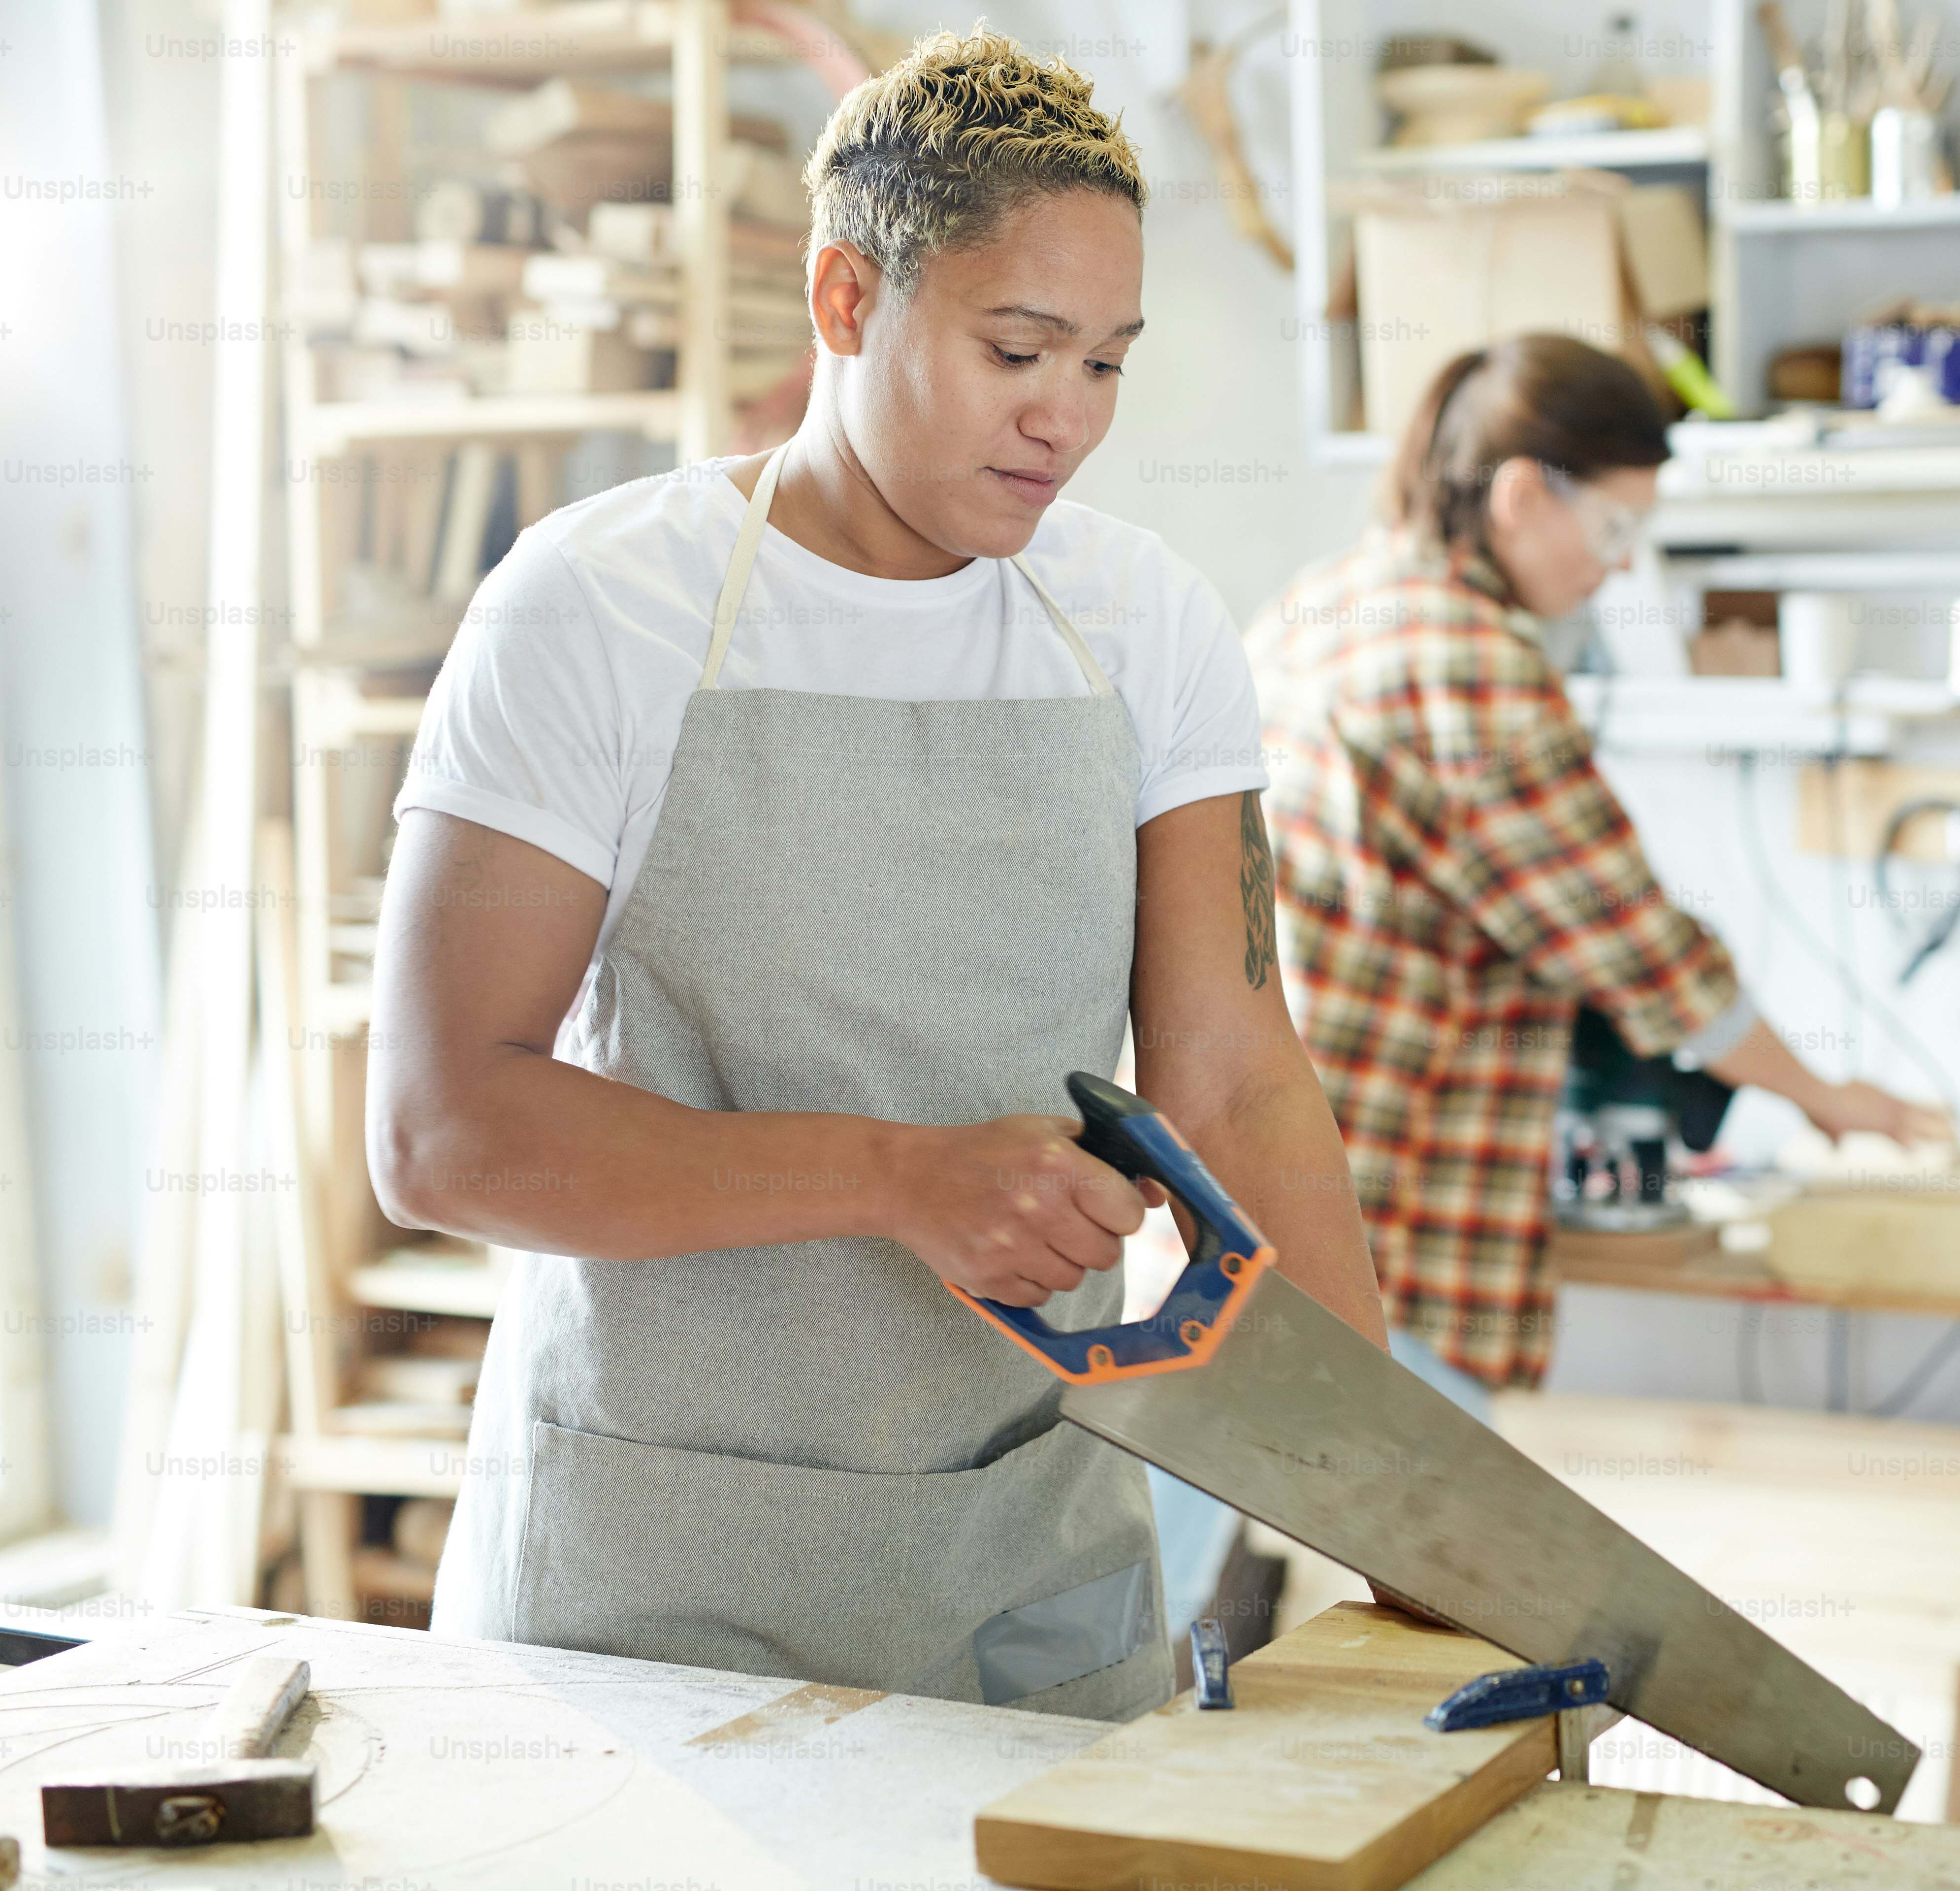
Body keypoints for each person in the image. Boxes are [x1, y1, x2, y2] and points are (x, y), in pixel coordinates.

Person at [370, 29, 1385, 1721]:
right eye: (1018, 350)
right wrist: (900, 1179)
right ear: (846, 300)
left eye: (1110, 365)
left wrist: (1394, 1501)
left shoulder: (1147, 625)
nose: (1068, 421)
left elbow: (1236, 1076)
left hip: (1035, 1547)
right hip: (665, 1575)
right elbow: (439, 1131)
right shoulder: (597, 610)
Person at [1246, 334, 1944, 1390]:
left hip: (1235, 1203)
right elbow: (1643, 953)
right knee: (1426, 1547)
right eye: (1616, 527)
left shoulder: (1318, 606)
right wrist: (1830, 1098)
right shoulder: (1469, 666)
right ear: (1522, 493)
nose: (1620, 563)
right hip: (1377, 1236)